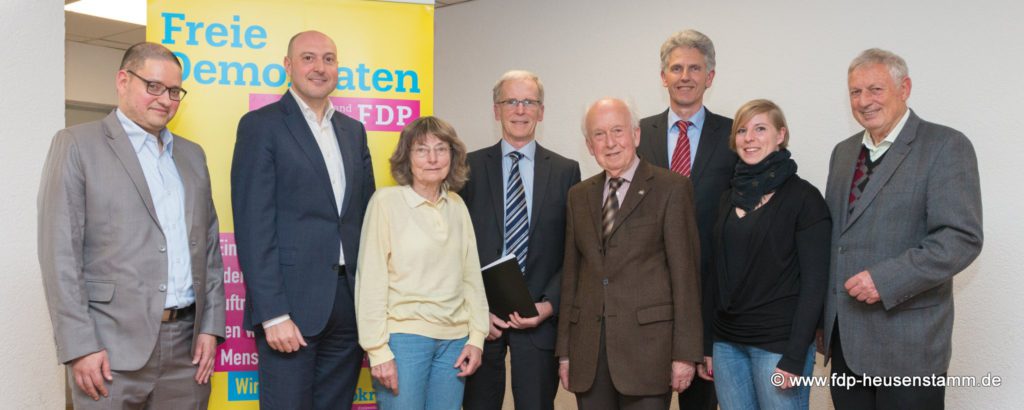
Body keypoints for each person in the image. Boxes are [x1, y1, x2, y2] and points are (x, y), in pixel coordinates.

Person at [38, 42, 225, 409]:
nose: (165, 99)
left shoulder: (192, 155)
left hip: (187, 351)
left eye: (174, 91)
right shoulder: (77, 145)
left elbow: (210, 247)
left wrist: (211, 327)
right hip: (109, 350)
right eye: (153, 86)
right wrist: (80, 346)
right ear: (123, 81)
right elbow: (60, 254)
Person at [822, 48, 983, 409]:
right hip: (846, 344)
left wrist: (886, 279)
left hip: (909, 348)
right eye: (855, 92)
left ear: (904, 88)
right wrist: (823, 319)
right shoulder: (843, 153)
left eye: (875, 89)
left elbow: (961, 238)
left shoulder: (945, 146)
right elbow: (837, 242)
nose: (864, 101)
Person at [231, 30, 376, 409]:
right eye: (308, 58)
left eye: (329, 59)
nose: (319, 67)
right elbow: (253, 227)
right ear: (288, 66)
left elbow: (365, 217)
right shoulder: (260, 126)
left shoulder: (353, 132)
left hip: (348, 305)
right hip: (290, 308)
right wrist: (273, 313)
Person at [556, 98, 703, 409]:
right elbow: (572, 277)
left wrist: (685, 354)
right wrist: (566, 352)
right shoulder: (578, 196)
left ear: (636, 135)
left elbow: (686, 277)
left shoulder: (671, 188)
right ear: (588, 144)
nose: (610, 143)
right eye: (599, 134)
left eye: (617, 131)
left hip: (649, 354)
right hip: (589, 354)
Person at [460, 70, 581, 410]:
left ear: (541, 111)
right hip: (482, 323)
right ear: (496, 110)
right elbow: (455, 247)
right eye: (511, 101)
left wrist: (548, 306)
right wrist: (475, 310)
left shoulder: (565, 170)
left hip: (539, 319)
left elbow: (573, 250)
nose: (520, 110)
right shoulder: (466, 168)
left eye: (529, 102)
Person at [700, 99, 829, 409]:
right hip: (727, 344)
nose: (750, 138)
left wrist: (796, 355)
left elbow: (815, 282)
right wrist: (708, 342)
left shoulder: (805, 199)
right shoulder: (729, 197)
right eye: (742, 130)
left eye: (760, 128)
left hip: (778, 345)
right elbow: (714, 273)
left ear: (780, 135)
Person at [355, 116, 489, 410]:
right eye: (421, 150)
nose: (432, 158)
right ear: (407, 157)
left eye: (441, 149)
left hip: (455, 342)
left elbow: (471, 279)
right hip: (404, 342)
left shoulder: (457, 205)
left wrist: (476, 338)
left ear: (452, 157)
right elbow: (371, 280)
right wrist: (377, 350)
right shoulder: (385, 203)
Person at [636, 30, 737, 409]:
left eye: (695, 68)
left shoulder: (734, 135)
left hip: (711, 297)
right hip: (649, 299)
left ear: (709, 77)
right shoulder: (637, 134)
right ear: (663, 76)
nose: (685, 76)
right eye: (676, 68)